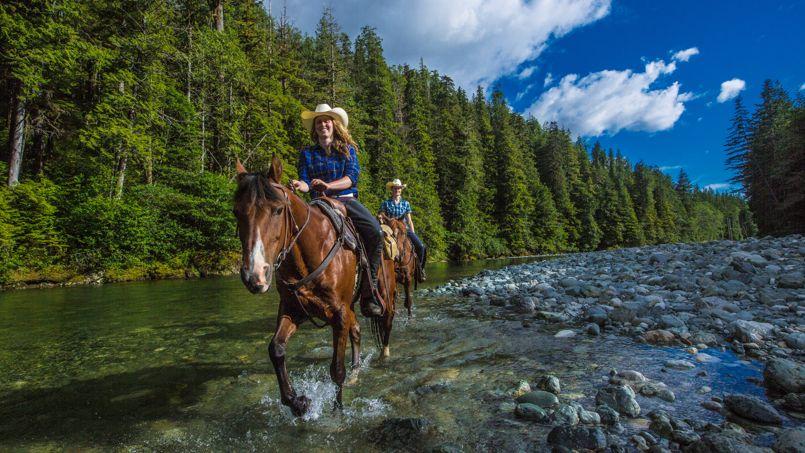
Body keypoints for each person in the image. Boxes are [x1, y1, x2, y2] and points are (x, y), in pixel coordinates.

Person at [290, 104, 385, 317]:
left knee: (376, 234)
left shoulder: (347, 149)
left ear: (333, 125)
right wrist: (300, 185)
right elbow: (306, 182)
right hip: (318, 203)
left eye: (326, 121)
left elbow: (351, 178)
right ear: (315, 129)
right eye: (318, 122)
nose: (323, 125)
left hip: (346, 201)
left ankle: (369, 294)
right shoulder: (307, 153)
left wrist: (328, 186)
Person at [379, 179, 427, 281]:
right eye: (395, 188)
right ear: (392, 190)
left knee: (421, 246)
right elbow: (381, 215)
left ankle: (420, 270)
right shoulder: (385, 203)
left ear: (401, 190)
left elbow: (409, 220)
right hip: (390, 229)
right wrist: (381, 218)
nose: (397, 190)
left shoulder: (406, 203)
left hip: (404, 228)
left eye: (399, 188)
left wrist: (412, 233)